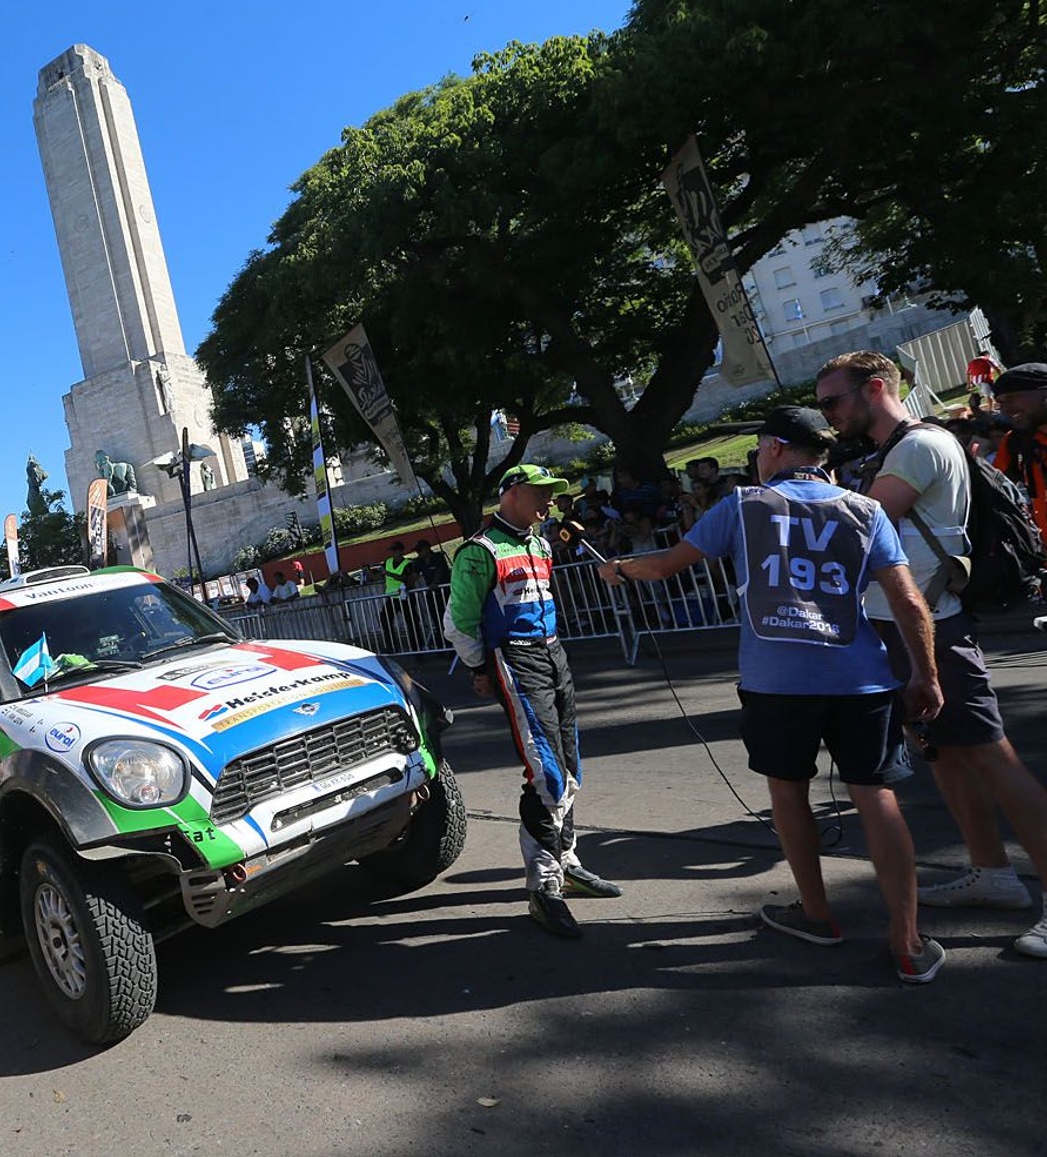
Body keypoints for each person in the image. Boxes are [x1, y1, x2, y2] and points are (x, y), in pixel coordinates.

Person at [601, 407, 949, 983]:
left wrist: (619, 569)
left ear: (774, 448)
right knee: (877, 797)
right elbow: (909, 601)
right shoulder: (865, 510)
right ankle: (908, 942)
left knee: (789, 793)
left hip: (776, 682)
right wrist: (925, 675)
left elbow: (663, 567)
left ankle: (817, 915)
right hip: (860, 679)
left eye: (759, 449)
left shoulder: (743, 504)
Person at [816, 351, 1047, 960]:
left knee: (992, 756)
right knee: (946, 754)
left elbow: (857, 531)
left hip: (931, 625)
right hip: (907, 624)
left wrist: (804, 492)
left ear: (874, 389)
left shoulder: (918, 446)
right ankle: (992, 873)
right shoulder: (899, 449)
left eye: (833, 402)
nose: (828, 415)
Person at [446, 463, 622, 939]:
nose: (549, 502)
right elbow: (459, 621)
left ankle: (567, 862)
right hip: (516, 659)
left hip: (554, 652)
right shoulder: (479, 551)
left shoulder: (541, 543)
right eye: (540, 493)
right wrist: (480, 668)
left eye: (551, 494)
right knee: (547, 774)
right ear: (513, 493)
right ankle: (544, 888)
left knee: (570, 766)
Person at [991, 362, 1047, 543]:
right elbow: (995, 489)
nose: (1005, 410)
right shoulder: (1015, 442)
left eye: (1011, 398)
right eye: (1000, 403)